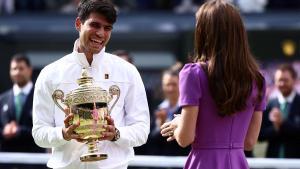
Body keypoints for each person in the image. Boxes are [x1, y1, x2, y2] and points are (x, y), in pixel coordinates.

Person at [32, 1, 150, 169]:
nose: (101, 33)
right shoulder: (50, 74)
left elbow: (142, 130)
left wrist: (116, 134)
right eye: (95, 25)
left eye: (107, 28)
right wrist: (63, 134)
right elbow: (39, 133)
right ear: (78, 24)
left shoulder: (127, 71)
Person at [160, 0, 266, 169]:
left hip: (203, 162)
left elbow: (184, 139)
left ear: (204, 32)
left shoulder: (193, 73)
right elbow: (249, 142)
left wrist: (179, 123)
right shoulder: (257, 78)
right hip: (238, 163)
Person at [0, 54, 45, 169]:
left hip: (34, 162)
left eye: (21, 68)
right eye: (14, 69)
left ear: (29, 70)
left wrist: (19, 131)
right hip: (7, 162)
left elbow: (46, 129)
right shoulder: (2, 99)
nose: (17, 72)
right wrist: (4, 131)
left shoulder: (41, 97)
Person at [259, 63, 300, 158]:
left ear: (294, 80)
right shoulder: (270, 104)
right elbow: (260, 135)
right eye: (279, 80)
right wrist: (275, 129)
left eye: (285, 80)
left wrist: (283, 122)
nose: (282, 84)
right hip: (273, 161)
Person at [148, 69, 190, 157]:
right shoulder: (158, 109)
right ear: (163, 86)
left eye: (174, 84)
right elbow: (151, 140)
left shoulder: (188, 109)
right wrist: (160, 126)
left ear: (181, 85)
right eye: (167, 85)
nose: (171, 89)